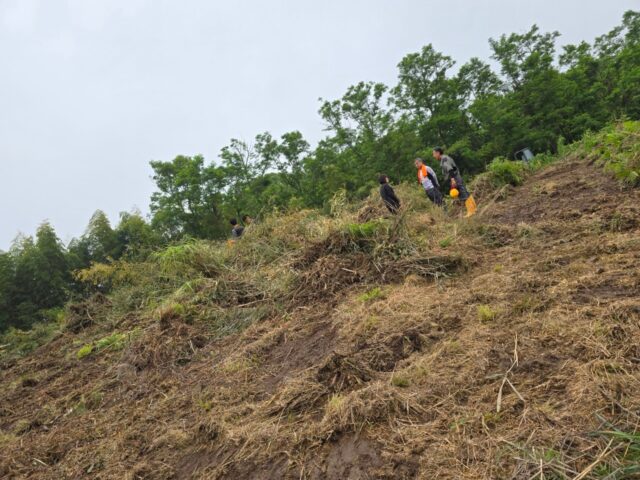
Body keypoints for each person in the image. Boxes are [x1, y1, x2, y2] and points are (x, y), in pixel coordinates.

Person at [432, 147, 477, 217]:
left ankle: (471, 211)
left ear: (438, 153)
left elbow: (450, 170)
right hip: (456, 177)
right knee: (464, 191)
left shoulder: (444, 159)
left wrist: (452, 180)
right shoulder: (445, 158)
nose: (433, 156)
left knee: (463, 193)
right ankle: (474, 209)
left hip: (455, 177)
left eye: (434, 154)